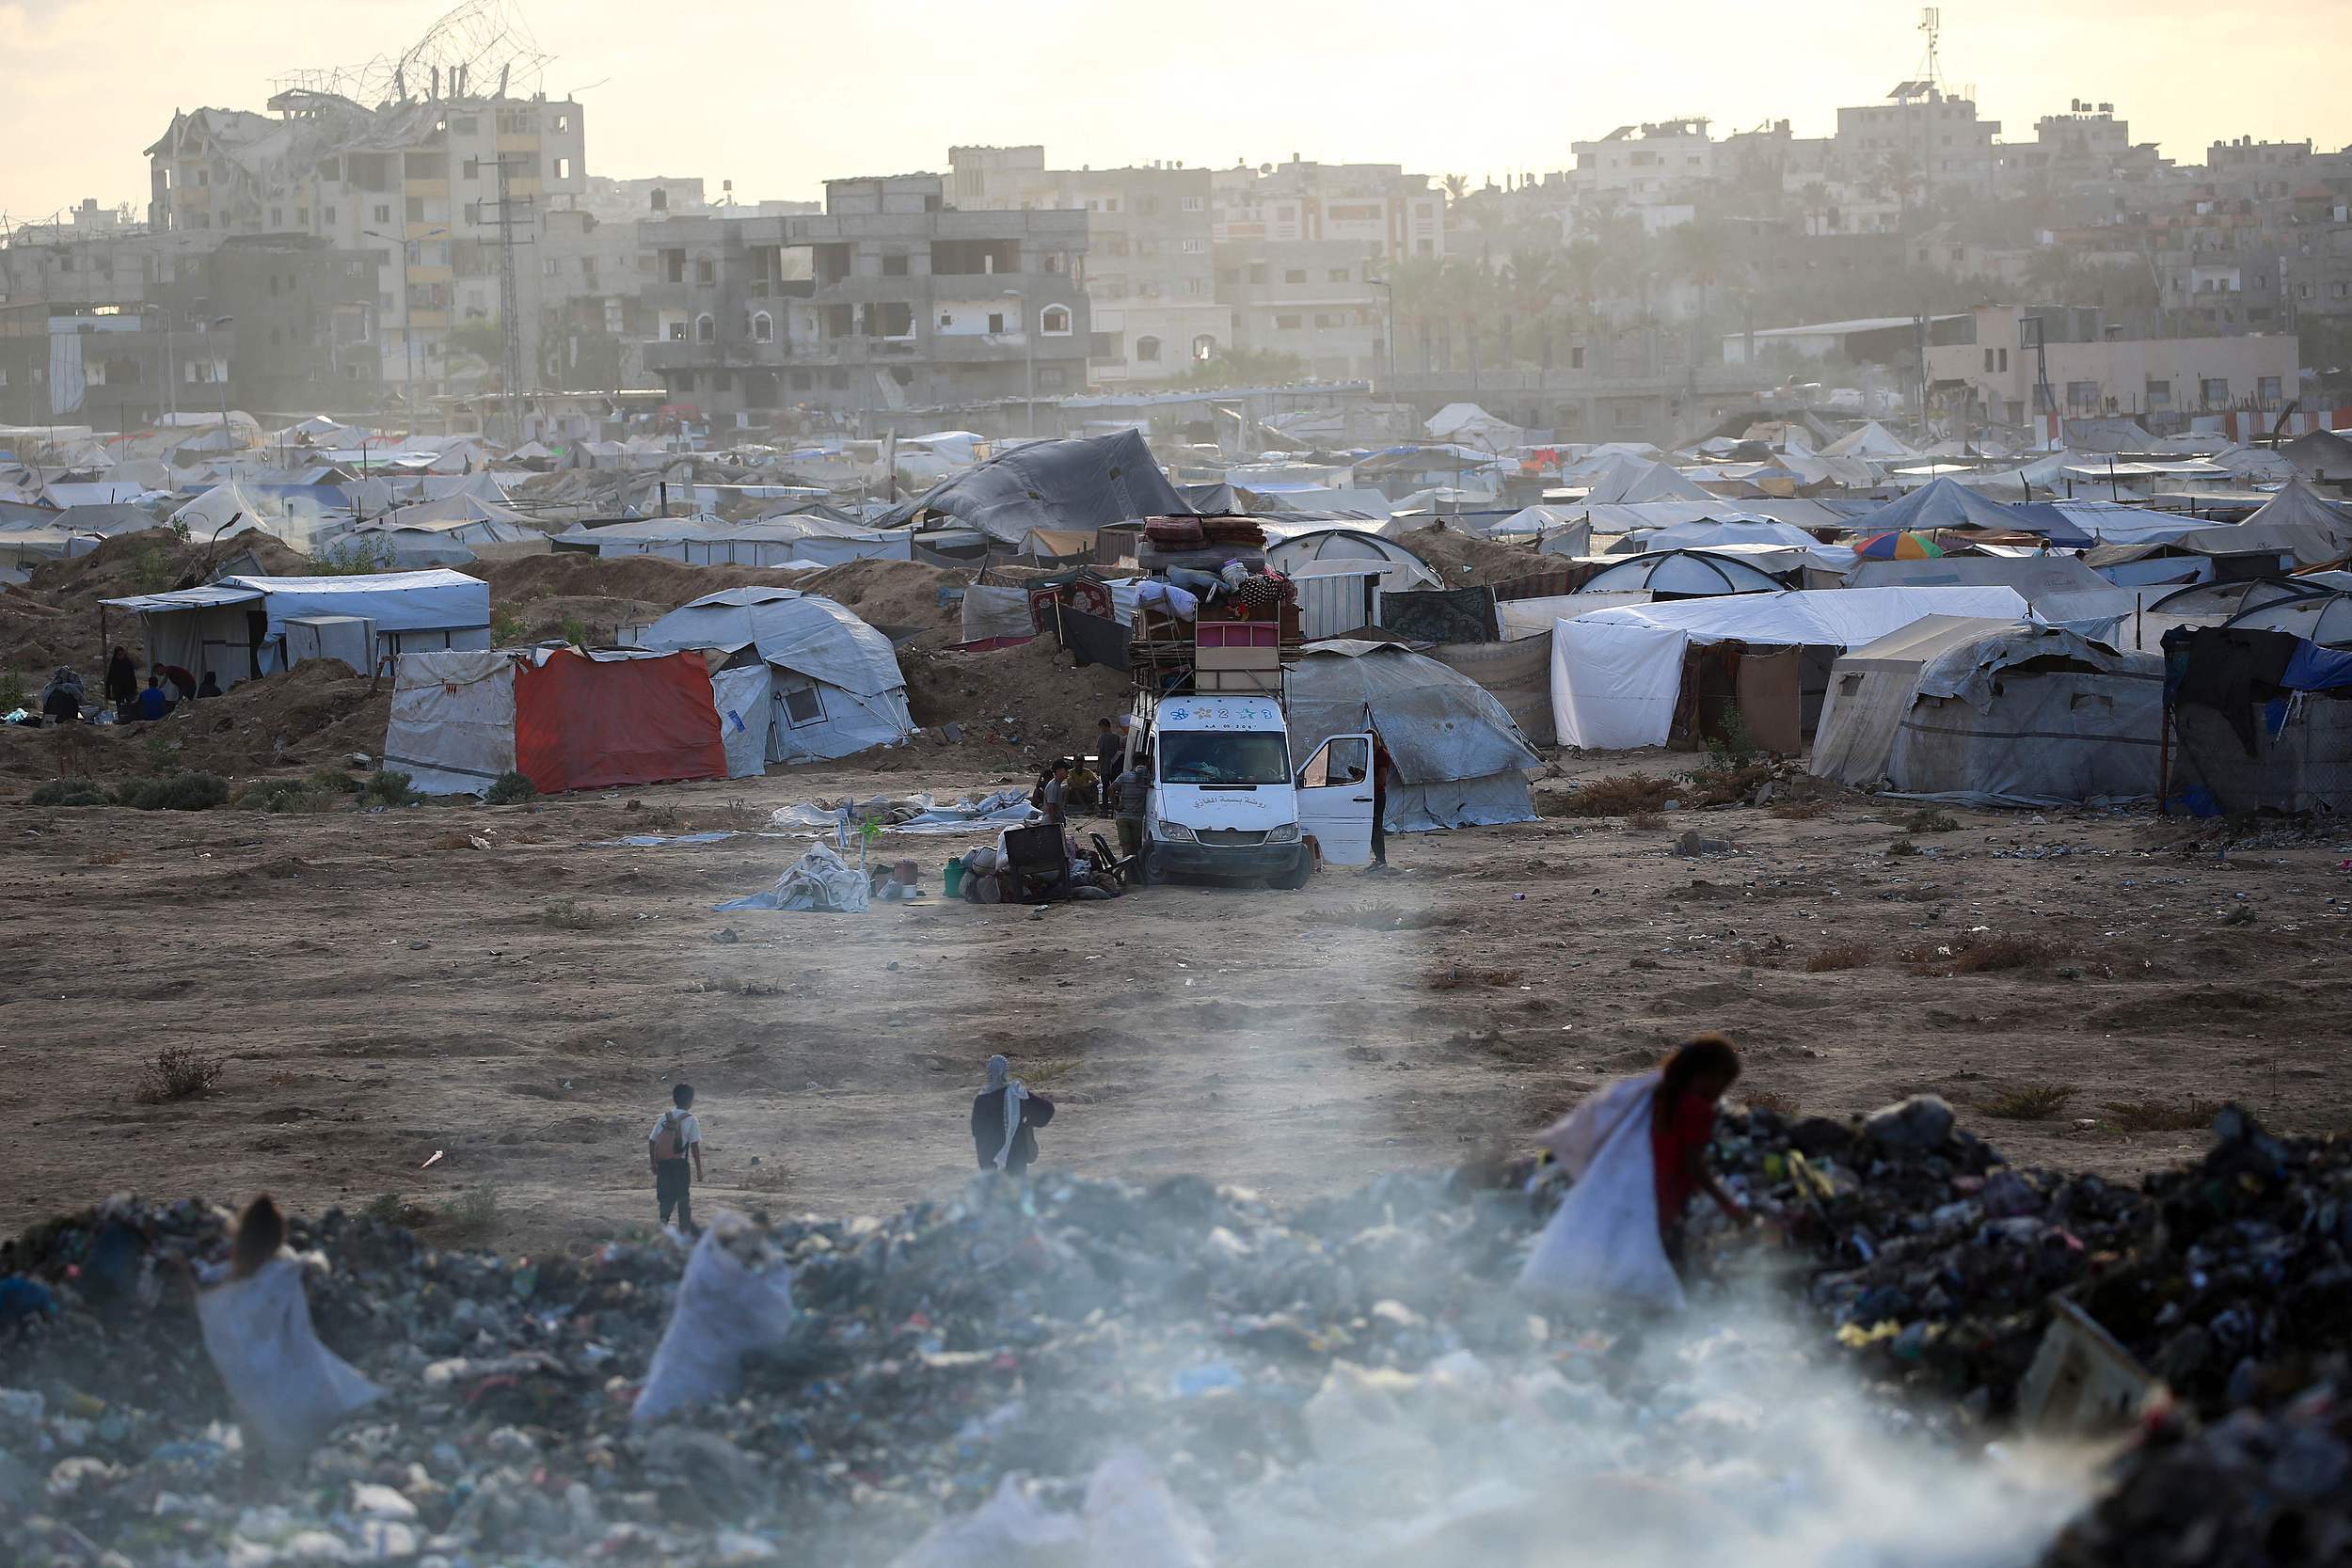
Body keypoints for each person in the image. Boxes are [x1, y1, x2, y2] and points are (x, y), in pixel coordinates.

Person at [1649, 1034, 1750, 1268]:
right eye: (1723, 1083)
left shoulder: (1659, 1097)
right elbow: (1692, 1165)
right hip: (1669, 1201)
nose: (1721, 1093)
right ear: (1707, 1076)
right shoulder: (1697, 1110)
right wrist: (1731, 1208)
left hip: (1643, 1195)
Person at [970, 1054, 1056, 1178]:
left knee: (994, 1189)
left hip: (989, 1154)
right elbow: (1046, 1109)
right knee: (1016, 1188)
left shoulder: (982, 1098)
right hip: (1015, 1152)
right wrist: (1028, 1123)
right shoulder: (1015, 1093)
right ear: (1005, 1071)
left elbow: (976, 1130)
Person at [647, 1084, 704, 1237]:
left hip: (663, 1163)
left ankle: (663, 1224)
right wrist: (699, 1169)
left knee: (665, 1196)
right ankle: (684, 1231)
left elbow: (652, 1141)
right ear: (690, 1101)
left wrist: (653, 1162)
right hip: (680, 1164)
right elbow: (694, 1146)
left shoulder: (664, 1118)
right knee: (683, 1198)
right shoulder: (691, 1120)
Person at [1366, 726, 1395, 872]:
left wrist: (1365, 779)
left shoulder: (1382, 755)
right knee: (1372, 828)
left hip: (1378, 794)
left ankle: (1381, 859)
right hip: (1373, 794)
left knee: (1377, 828)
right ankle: (1378, 859)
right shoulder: (1374, 755)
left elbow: (1381, 778)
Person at [1112, 753, 1149, 865]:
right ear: (1146, 764)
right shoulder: (1148, 779)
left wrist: (1116, 806)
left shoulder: (1124, 776)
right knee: (1136, 848)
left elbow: (1110, 789)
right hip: (1137, 818)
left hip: (1122, 817)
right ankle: (1128, 873)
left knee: (1126, 848)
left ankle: (1127, 874)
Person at [1094, 718, 1124, 814]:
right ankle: (1117, 808)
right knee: (1116, 788)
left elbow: (1100, 754)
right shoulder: (1117, 737)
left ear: (1103, 726)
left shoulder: (1102, 738)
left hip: (1105, 767)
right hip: (1116, 767)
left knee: (1105, 788)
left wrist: (1098, 767)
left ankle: (1105, 810)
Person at [103, 645, 138, 718]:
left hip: (129, 688)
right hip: (118, 690)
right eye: (119, 655)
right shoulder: (114, 665)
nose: (121, 656)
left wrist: (135, 688)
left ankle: (130, 719)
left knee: (131, 705)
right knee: (120, 707)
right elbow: (109, 679)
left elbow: (132, 676)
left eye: (122, 654)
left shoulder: (127, 662)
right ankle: (121, 719)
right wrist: (108, 693)